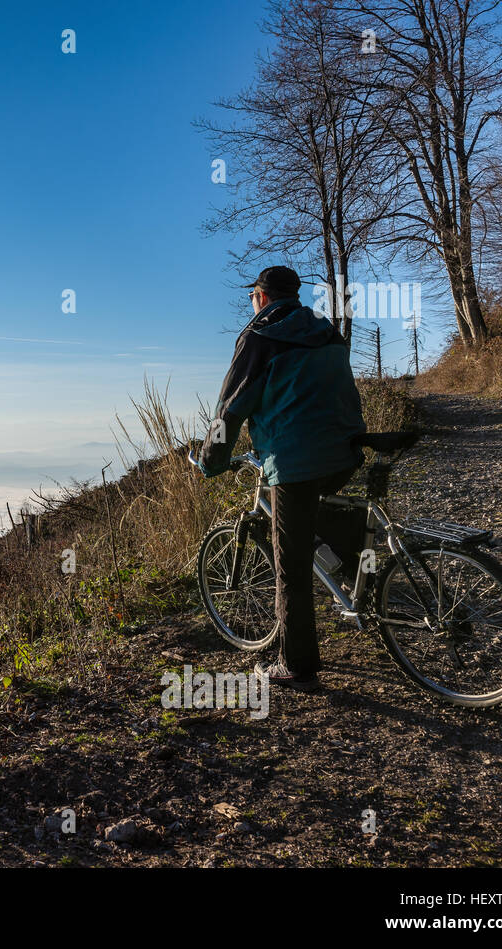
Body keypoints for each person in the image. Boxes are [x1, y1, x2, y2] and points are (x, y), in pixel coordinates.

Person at [196, 265, 367, 691]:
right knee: (316, 508)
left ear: (262, 296)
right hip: (344, 451)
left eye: (252, 296)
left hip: (296, 460)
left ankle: (295, 664)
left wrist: (210, 461)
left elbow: (229, 409)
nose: (251, 302)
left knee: (289, 566)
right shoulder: (326, 331)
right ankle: (360, 576)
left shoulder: (257, 337)